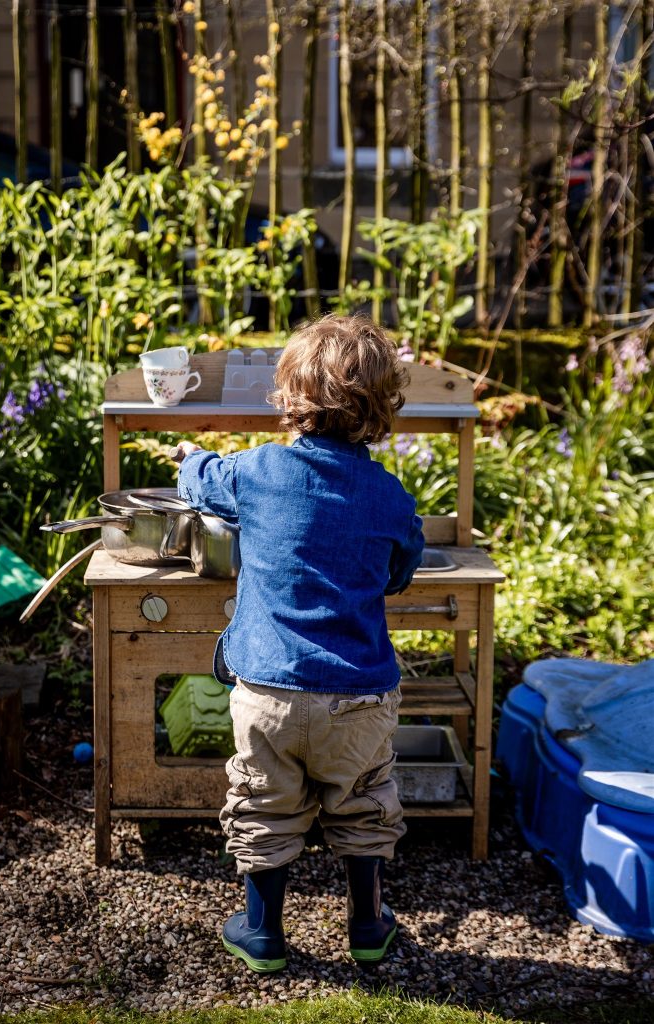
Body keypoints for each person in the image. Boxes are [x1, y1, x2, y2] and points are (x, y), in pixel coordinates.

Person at [175, 314, 425, 973]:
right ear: (381, 405)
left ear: (291, 396)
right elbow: (399, 571)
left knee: (263, 801)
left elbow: (202, 483)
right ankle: (368, 926)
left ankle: (262, 933)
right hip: (358, 697)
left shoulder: (256, 472)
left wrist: (189, 458)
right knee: (364, 802)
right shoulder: (390, 496)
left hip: (268, 693)